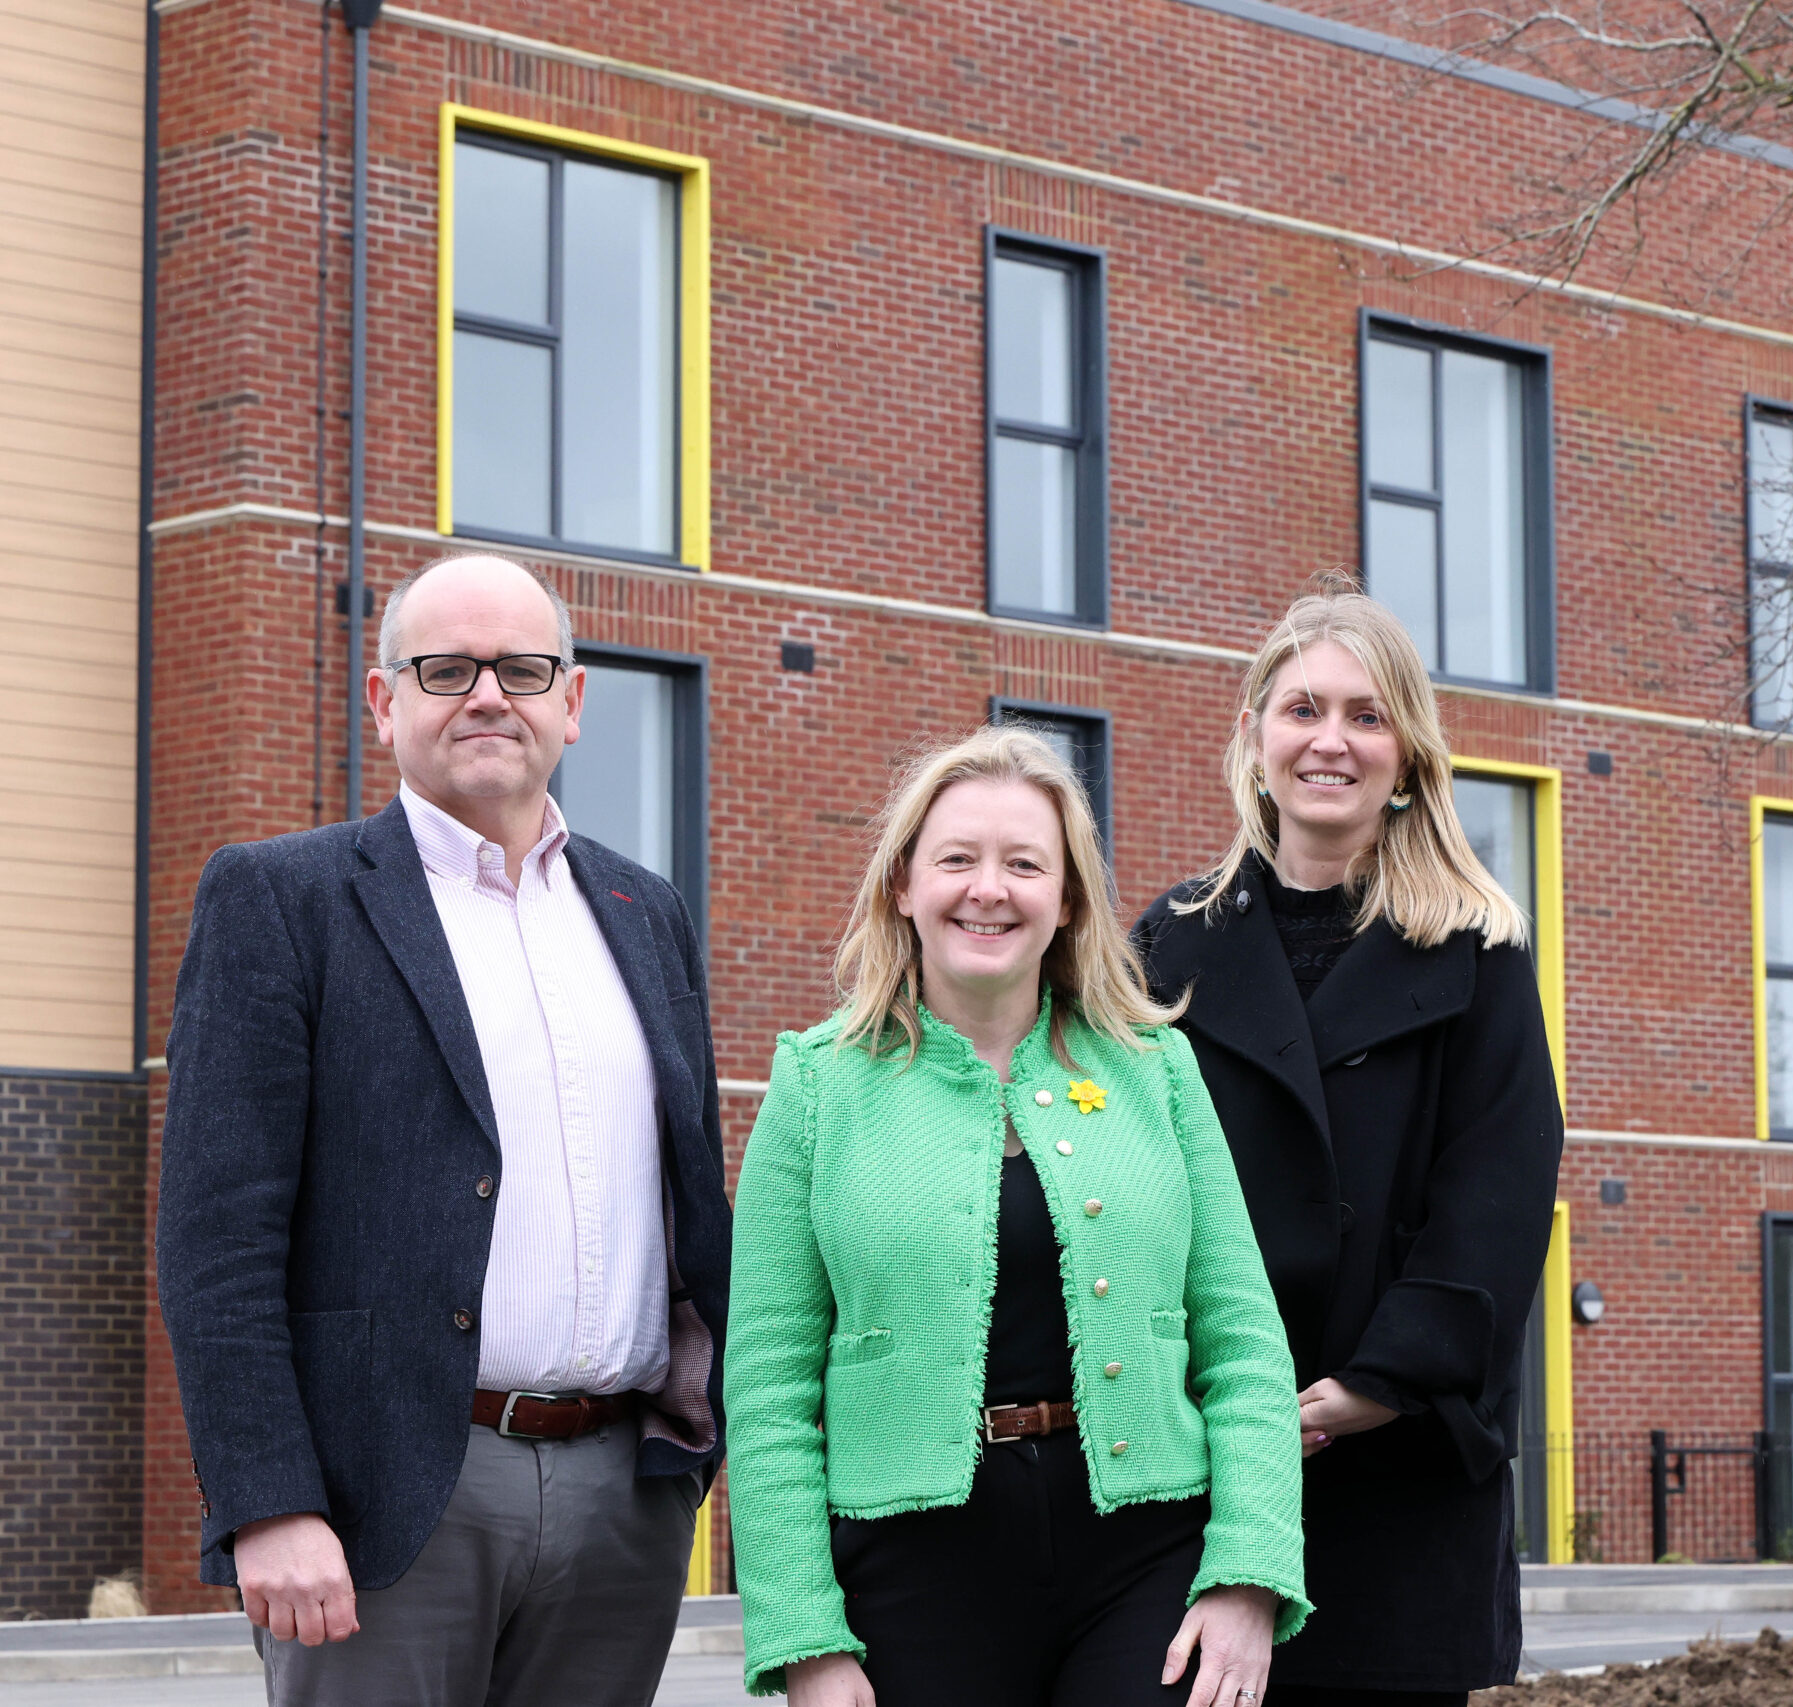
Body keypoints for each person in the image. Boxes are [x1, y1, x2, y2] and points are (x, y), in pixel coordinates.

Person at [157, 553, 731, 1706]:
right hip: (386, 1497)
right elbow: (216, 1239)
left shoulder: (644, 912)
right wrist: (269, 1501)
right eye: (446, 668)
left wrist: (692, 1461)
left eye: (522, 670)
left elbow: (687, 1202)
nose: (485, 696)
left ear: (572, 703)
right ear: (384, 702)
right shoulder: (284, 899)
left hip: (623, 1498)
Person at [725, 727, 1311, 1707]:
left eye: (1023, 864)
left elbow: (1243, 1339)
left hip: (1144, 1554)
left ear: (1068, 899)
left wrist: (1249, 1574)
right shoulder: (819, 1083)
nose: (987, 889)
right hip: (908, 1572)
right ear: (902, 886)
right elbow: (768, 1382)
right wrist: (803, 1638)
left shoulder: (1156, 1070)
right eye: (955, 859)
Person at [1132, 583, 1566, 1706]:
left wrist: (1376, 1382)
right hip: (1204, 1458)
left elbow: (1501, 1188)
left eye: (1367, 717)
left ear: (1409, 756)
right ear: (1254, 736)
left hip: (1397, 1472)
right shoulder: (1165, 944)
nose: (1331, 740)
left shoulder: (1477, 950)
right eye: (1303, 709)